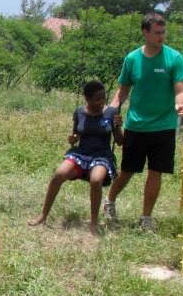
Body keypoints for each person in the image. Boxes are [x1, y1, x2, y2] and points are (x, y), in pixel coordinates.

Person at [102, 12, 183, 232]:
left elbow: (180, 90)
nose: (162, 36)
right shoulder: (132, 59)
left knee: (155, 172)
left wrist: (181, 104)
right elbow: (123, 91)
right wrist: (111, 109)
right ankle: (110, 200)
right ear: (146, 33)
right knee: (128, 170)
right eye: (157, 33)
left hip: (164, 125)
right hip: (136, 124)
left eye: (163, 32)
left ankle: (146, 218)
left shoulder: (174, 58)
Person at [29, 80, 125, 232]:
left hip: (101, 155)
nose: (102, 102)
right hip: (82, 153)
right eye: (97, 99)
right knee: (58, 175)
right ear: (87, 99)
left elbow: (120, 142)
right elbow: (75, 135)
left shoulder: (111, 113)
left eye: (103, 97)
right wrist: (72, 139)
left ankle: (93, 222)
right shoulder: (79, 112)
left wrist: (119, 127)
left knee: (96, 180)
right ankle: (43, 215)